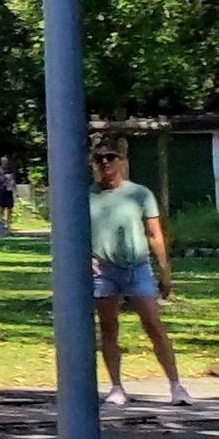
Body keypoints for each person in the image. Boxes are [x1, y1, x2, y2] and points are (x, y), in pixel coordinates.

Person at [87, 147, 193, 408]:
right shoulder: (87, 195)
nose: (105, 163)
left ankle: (176, 385)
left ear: (121, 161)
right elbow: (76, 232)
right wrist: (86, 258)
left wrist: (164, 270)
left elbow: (155, 234)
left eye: (110, 157)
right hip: (103, 271)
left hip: (137, 268)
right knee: (109, 327)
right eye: (99, 159)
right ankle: (116, 387)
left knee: (153, 324)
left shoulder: (139, 193)